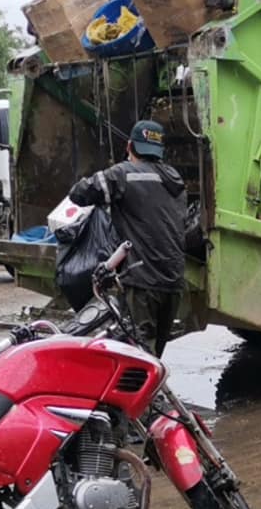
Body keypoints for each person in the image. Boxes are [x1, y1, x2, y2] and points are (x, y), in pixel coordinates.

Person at [69, 120, 186, 357]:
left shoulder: (124, 173)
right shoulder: (175, 179)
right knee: (154, 355)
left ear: (130, 146)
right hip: (173, 281)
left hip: (143, 282)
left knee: (139, 355)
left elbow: (79, 194)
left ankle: (146, 395)